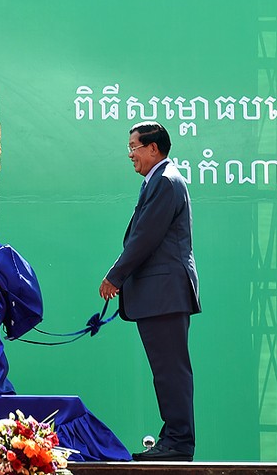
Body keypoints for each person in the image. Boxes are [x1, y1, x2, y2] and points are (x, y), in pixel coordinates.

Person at [99, 121, 200, 462]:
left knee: (171, 370)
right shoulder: (157, 181)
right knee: (166, 371)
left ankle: (178, 443)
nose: (130, 154)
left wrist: (116, 276)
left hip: (165, 293)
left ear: (153, 148)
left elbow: (146, 236)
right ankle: (172, 438)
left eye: (134, 147)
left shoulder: (166, 182)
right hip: (160, 294)